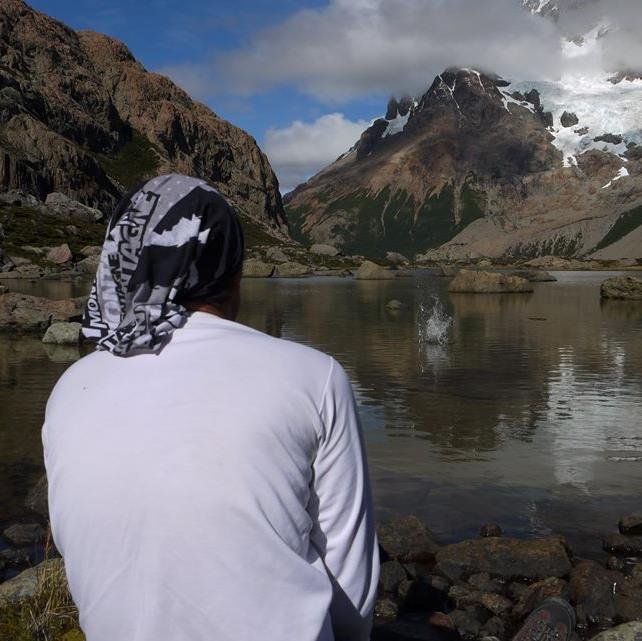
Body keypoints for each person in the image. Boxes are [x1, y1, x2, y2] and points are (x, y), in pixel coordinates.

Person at [43, 174, 379, 641]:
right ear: (232, 269)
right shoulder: (313, 376)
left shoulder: (70, 386)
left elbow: (80, 549)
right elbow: (350, 588)